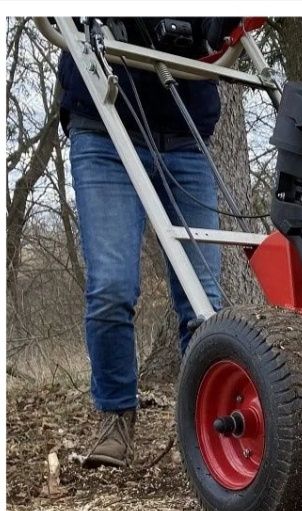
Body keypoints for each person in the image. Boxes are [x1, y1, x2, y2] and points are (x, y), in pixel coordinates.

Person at [59, 19, 235, 467]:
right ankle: (116, 417)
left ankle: (208, 426)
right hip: (103, 120)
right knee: (112, 287)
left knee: (205, 304)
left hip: (185, 130)